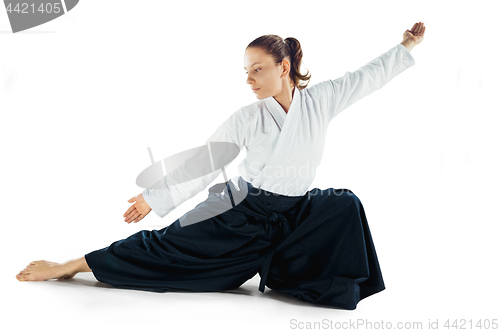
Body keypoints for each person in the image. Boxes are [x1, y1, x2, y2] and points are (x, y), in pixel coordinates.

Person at [16, 22, 426, 310]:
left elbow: (367, 77)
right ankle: (72, 264)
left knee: (344, 205)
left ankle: (289, 270)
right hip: (242, 212)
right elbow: (207, 161)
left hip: (296, 213)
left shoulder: (322, 99)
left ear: (284, 68)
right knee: (167, 245)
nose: (249, 79)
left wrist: (405, 45)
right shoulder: (248, 117)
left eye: (258, 70)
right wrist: (152, 196)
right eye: (246, 72)